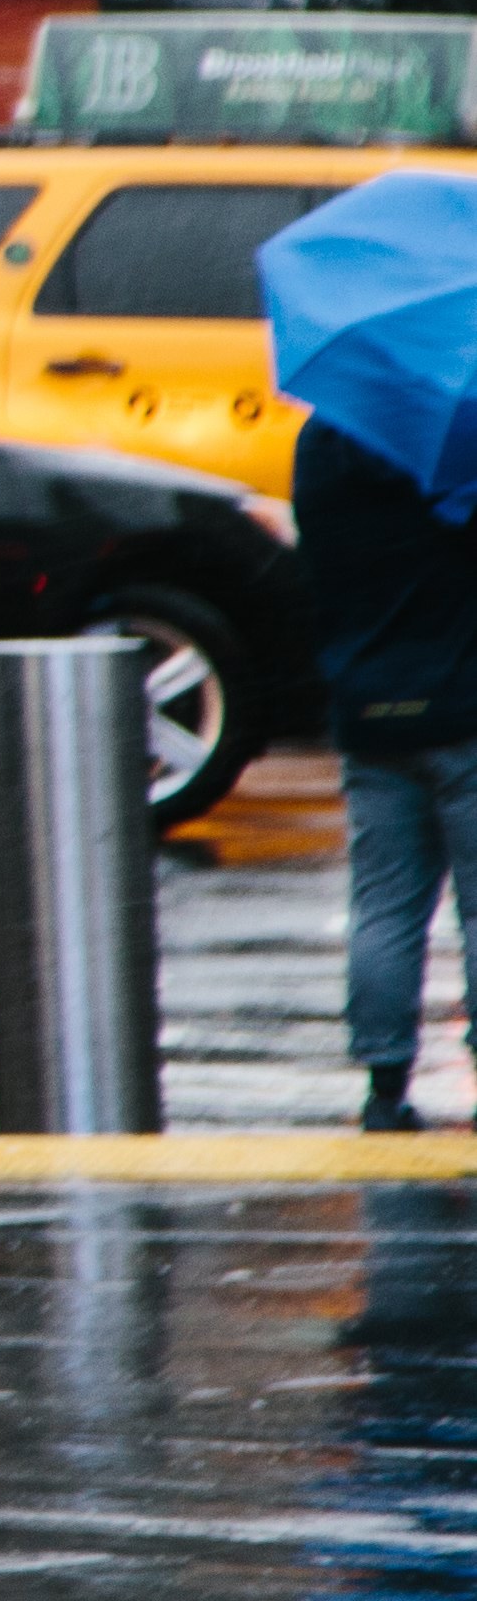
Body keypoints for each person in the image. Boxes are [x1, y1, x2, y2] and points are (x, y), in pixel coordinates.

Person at [299, 413, 477, 1132]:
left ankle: (384, 1082)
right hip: (463, 709)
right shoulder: (453, 438)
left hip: (368, 709)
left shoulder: (322, 443)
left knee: (385, 904)